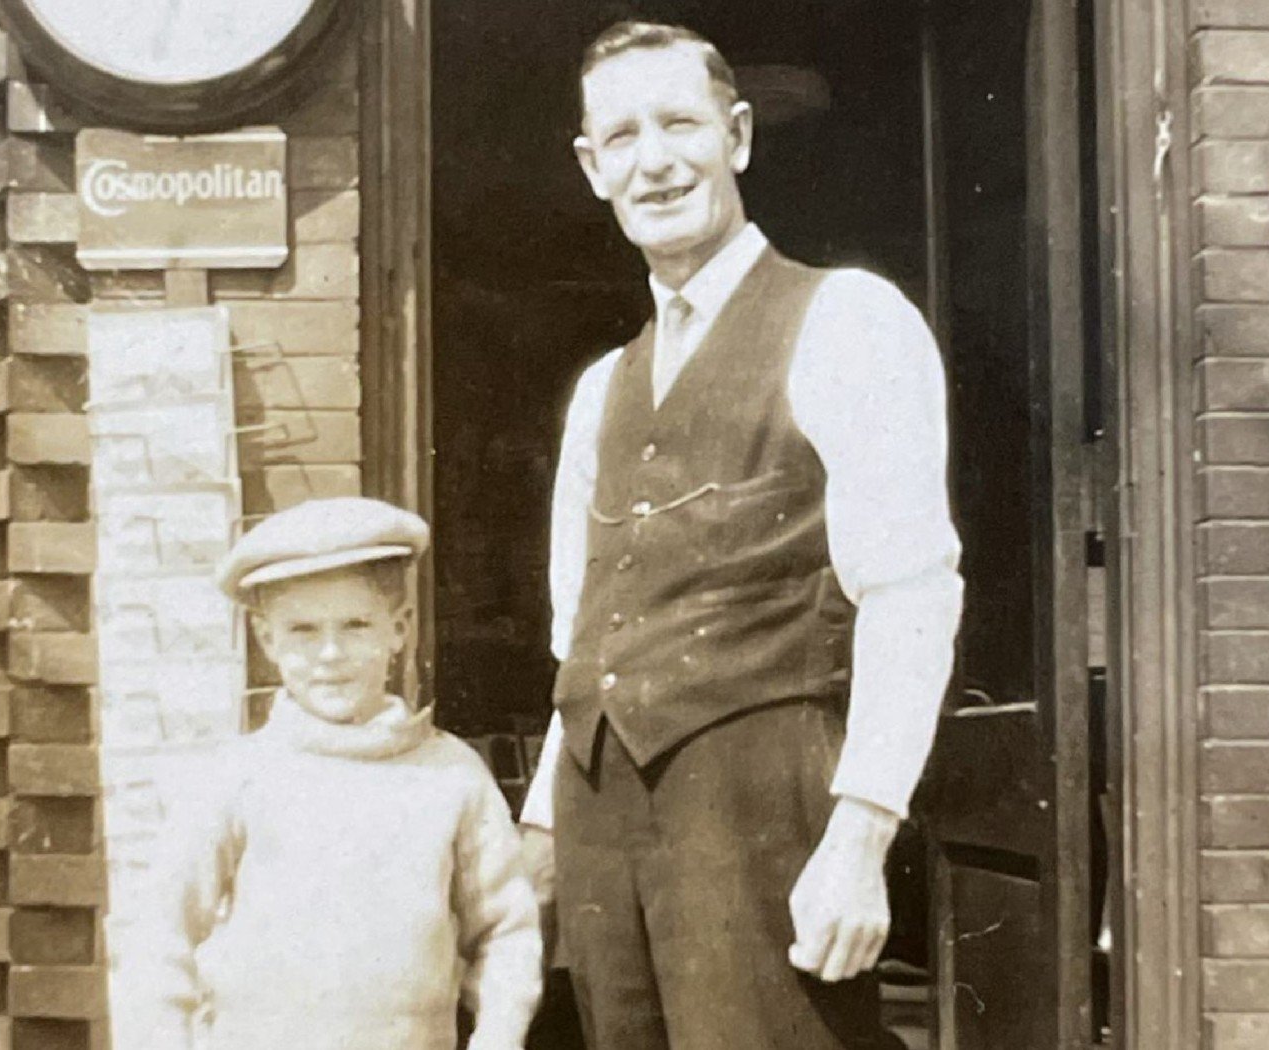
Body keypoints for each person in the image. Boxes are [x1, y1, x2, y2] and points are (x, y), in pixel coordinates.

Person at [516, 21, 964, 1050]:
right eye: (622, 136)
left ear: (740, 137)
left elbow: (911, 593)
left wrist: (862, 833)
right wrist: (540, 837)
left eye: (682, 123)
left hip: (760, 814)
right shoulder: (601, 390)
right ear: (593, 168)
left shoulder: (847, 318)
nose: (656, 159)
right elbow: (582, 644)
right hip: (603, 826)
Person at [140, 497, 544, 1050]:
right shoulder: (240, 776)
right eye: (303, 630)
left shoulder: (450, 776)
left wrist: (498, 1036)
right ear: (267, 640)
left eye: (356, 625)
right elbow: (160, 937)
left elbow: (506, 930)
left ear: (399, 629)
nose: (331, 653)